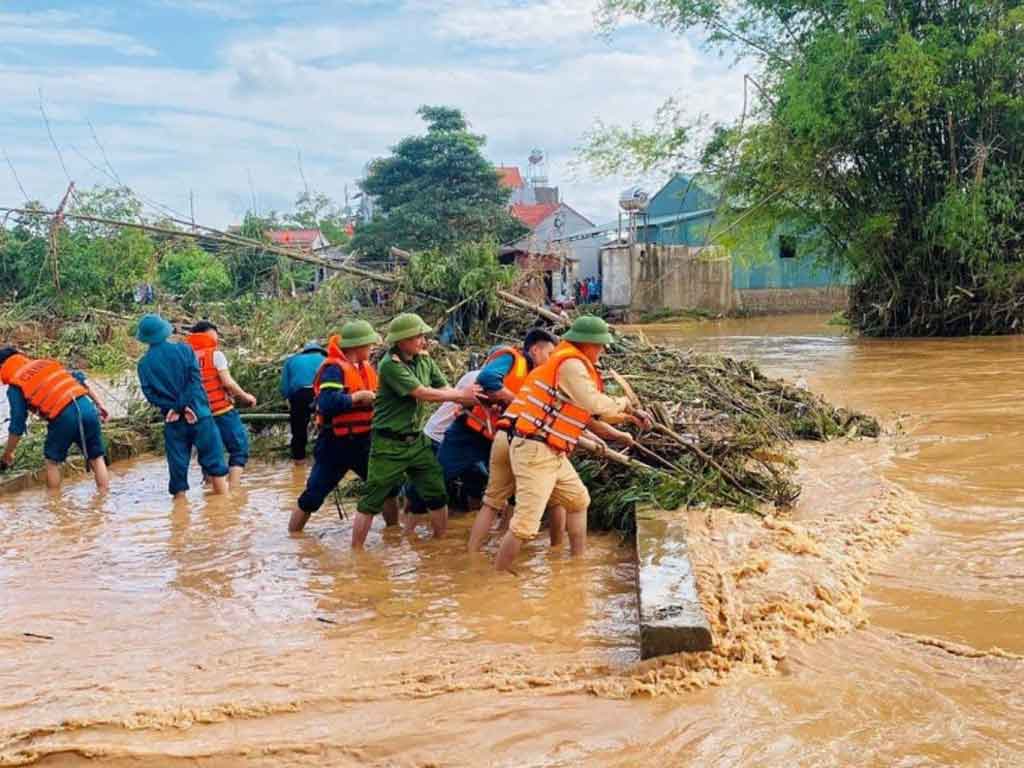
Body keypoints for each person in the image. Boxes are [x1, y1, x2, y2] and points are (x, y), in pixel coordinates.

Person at [493, 316, 650, 573]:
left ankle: (578, 564)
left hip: (551, 450)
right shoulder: (571, 365)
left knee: (578, 501)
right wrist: (624, 402)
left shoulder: (573, 365)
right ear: (586, 343)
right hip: (535, 450)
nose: (602, 350)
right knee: (525, 526)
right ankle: (496, 579)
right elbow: (593, 403)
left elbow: (594, 413)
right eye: (599, 345)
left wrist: (630, 415)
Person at [352, 313, 480, 548]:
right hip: (388, 444)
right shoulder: (390, 365)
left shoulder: (424, 360)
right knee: (372, 499)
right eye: (418, 336)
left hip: (417, 441)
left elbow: (443, 387)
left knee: (437, 493)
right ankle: (356, 553)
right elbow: (422, 393)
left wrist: (461, 400)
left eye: (423, 336)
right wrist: (462, 395)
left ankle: (439, 544)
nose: (424, 341)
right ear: (402, 341)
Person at [288, 321, 399, 537]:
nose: (372, 349)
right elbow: (327, 403)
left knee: (387, 487)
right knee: (313, 495)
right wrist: (358, 397)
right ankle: (293, 538)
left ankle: (394, 535)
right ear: (357, 346)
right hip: (335, 444)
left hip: (364, 440)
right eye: (369, 345)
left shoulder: (365, 368)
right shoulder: (334, 369)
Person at [460, 328, 560, 551]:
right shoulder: (514, 360)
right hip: (512, 439)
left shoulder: (537, 373)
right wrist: (513, 399)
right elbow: (487, 379)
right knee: (506, 502)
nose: (551, 359)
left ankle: (477, 551)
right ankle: (552, 553)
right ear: (535, 350)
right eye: (549, 353)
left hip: (503, 436)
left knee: (496, 500)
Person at [136, 314, 229, 498]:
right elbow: (195, 380)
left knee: (177, 468)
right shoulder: (185, 350)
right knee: (215, 463)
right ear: (165, 331)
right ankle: (225, 507)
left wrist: (175, 408)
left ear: (145, 338)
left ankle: (180, 511)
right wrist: (183, 406)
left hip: (173, 420)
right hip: (199, 414)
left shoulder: (144, 364)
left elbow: (150, 395)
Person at [0, 347, 110, 491]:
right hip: (87, 408)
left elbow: (17, 425)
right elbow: (81, 382)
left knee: (52, 462)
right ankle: (103, 499)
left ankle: (55, 502)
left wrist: (8, 453)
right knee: (96, 458)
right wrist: (100, 405)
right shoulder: (46, 364)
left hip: (63, 417)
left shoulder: (16, 385)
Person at [184, 321, 257, 487]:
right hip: (221, 411)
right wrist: (246, 397)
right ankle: (234, 489)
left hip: (199, 414)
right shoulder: (215, 355)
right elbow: (228, 382)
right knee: (239, 448)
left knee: (208, 454)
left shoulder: (185, 357)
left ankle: (211, 491)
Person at [280, 341, 327, 463]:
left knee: (298, 430)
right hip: (322, 393)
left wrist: (288, 399)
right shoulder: (327, 359)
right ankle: (326, 459)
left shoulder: (291, 360)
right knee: (327, 426)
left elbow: (284, 387)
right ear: (320, 351)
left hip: (299, 395)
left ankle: (299, 461)